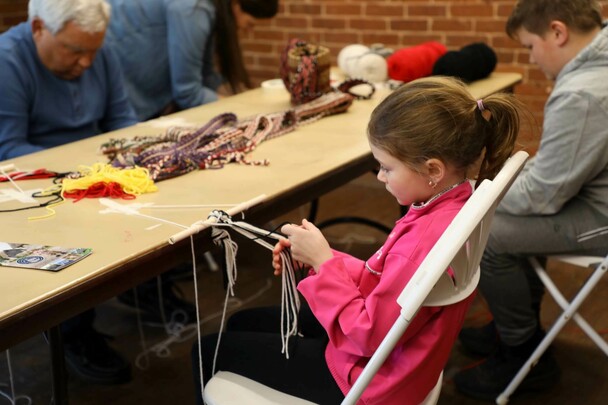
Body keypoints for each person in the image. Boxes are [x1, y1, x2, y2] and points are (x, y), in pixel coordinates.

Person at [191, 76, 523, 404]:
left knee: (207, 351)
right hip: (391, 364)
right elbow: (384, 281)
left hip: (367, 381)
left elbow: (367, 336)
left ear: (432, 169)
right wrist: (321, 258)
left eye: (387, 168)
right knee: (241, 323)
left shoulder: (422, 241)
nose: (380, 177)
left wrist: (325, 263)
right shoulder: (448, 204)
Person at [454, 0, 608, 401]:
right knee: (502, 210)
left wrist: (475, 199)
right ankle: (514, 326)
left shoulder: (582, 93)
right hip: (595, 198)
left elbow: (544, 194)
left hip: (602, 214)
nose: (532, 58)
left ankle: (522, 353)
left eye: (529, 47)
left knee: (484, 233)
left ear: (557, 32)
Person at [0, 0, 137, 384]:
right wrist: (86, 172)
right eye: (75, 51)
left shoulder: (99, 53)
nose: (88, 63)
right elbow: (8, 151)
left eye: (93, 50)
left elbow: (123, 122)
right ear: (39, 28)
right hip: (32, 187)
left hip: (90, 175)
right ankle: (72, 331)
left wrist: (130, 158)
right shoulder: (7, 60)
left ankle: (144, 289)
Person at [104, 0, 279, 121]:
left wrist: (244, 97)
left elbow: (206, 75)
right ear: (236, 5)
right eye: (249, 24)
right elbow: (187, 92)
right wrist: (241, 107)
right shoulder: (194, 9)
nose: (247, 31)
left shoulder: (208, 9)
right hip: (127, 80)